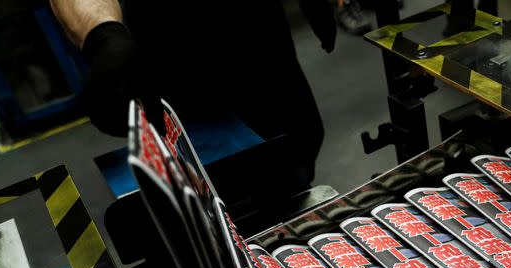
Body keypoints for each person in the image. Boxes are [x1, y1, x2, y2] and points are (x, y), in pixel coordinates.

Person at [49, 0, 336, 184]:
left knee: (293, 154)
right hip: (173, 60)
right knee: (208, 189)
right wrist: (103, 37)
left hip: (259, 47)